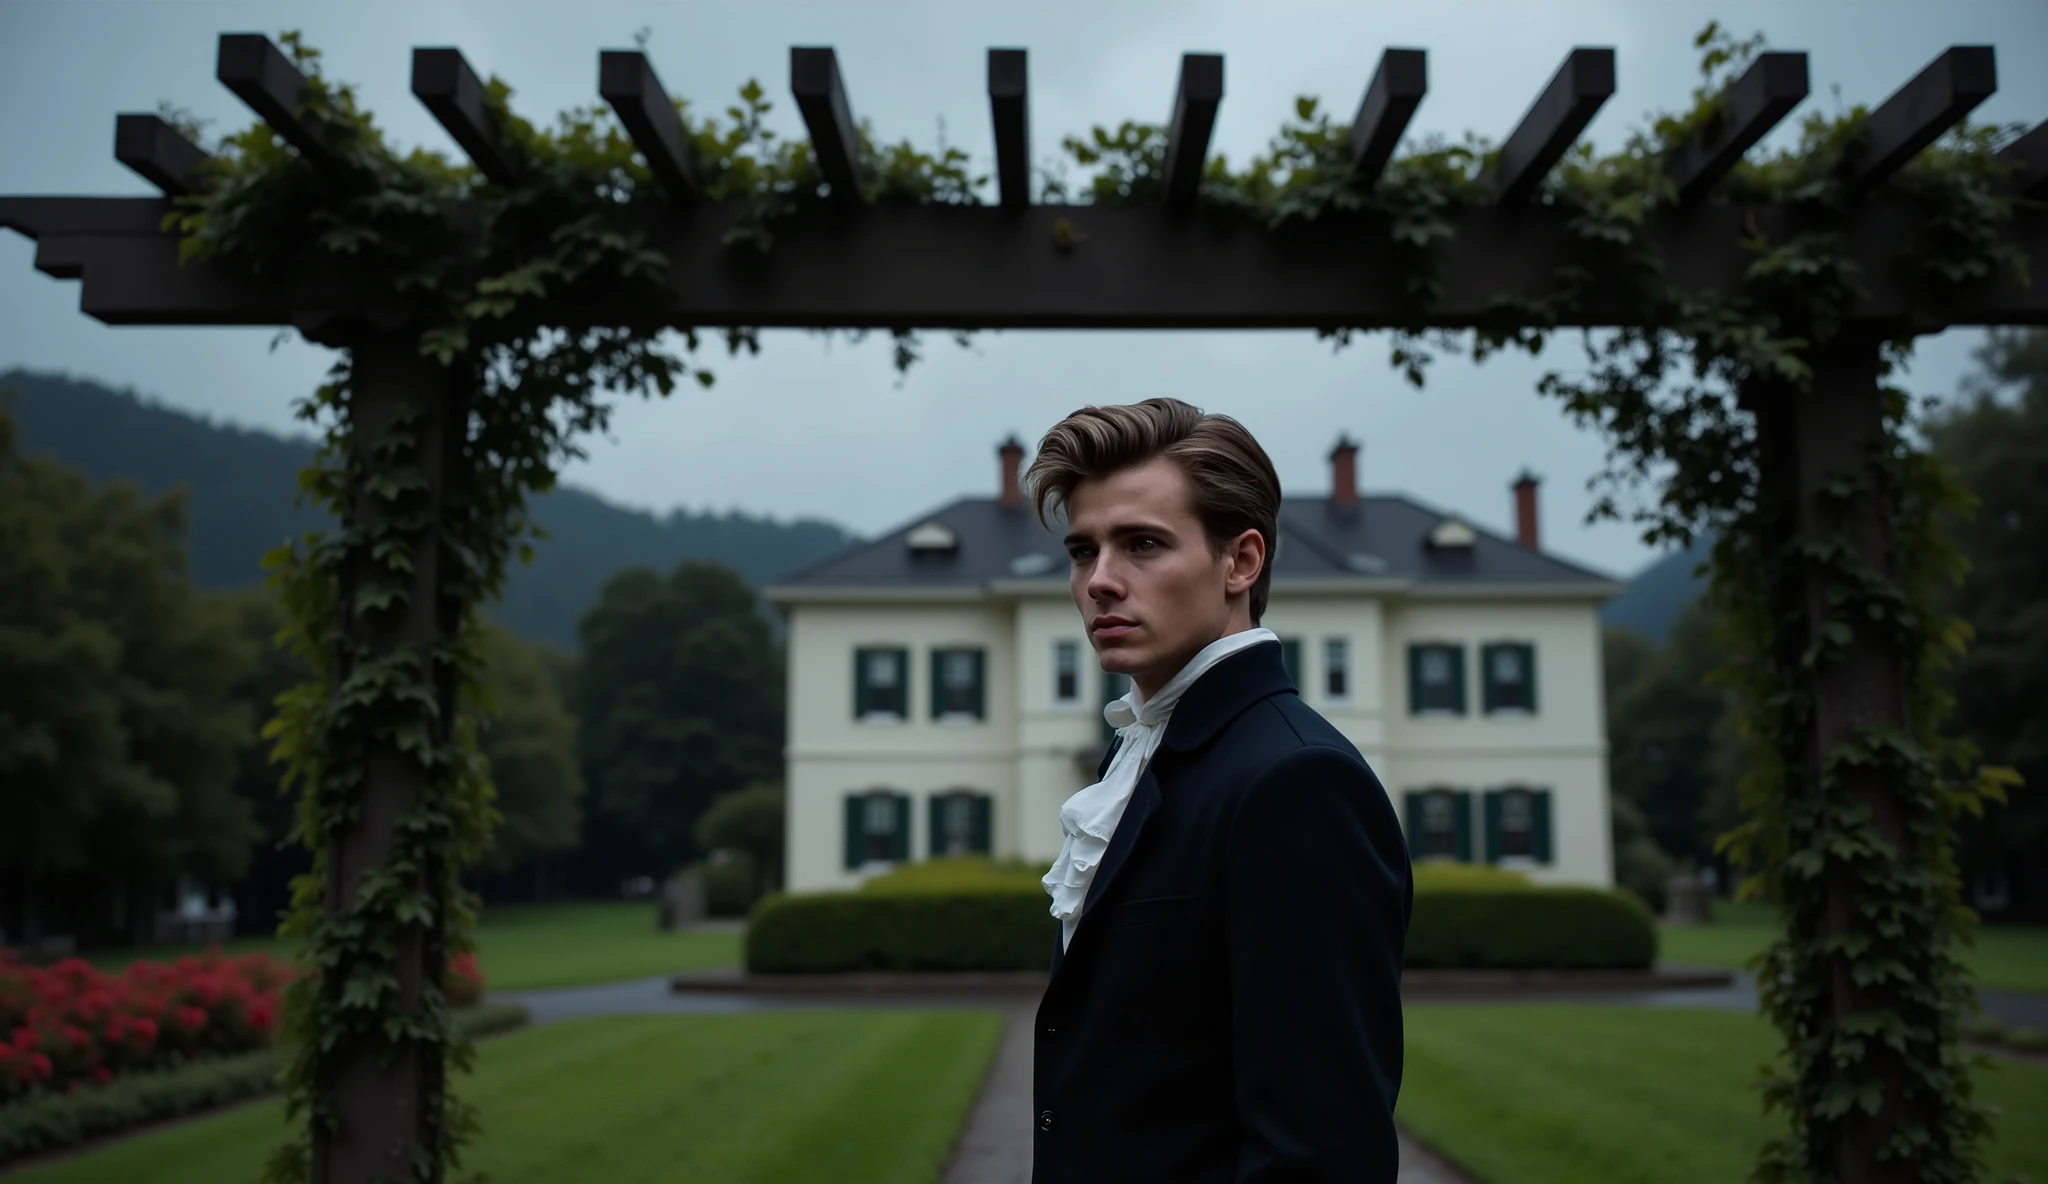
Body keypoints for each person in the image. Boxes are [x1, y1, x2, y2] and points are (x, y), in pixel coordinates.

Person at [1025, 397, 1412, 1182]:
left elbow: (1320, 1151)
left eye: (1142, 544)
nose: (1100, 581)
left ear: (1241, 562)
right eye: (1082, 550)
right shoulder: (1139, 758)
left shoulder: (1296, 780)